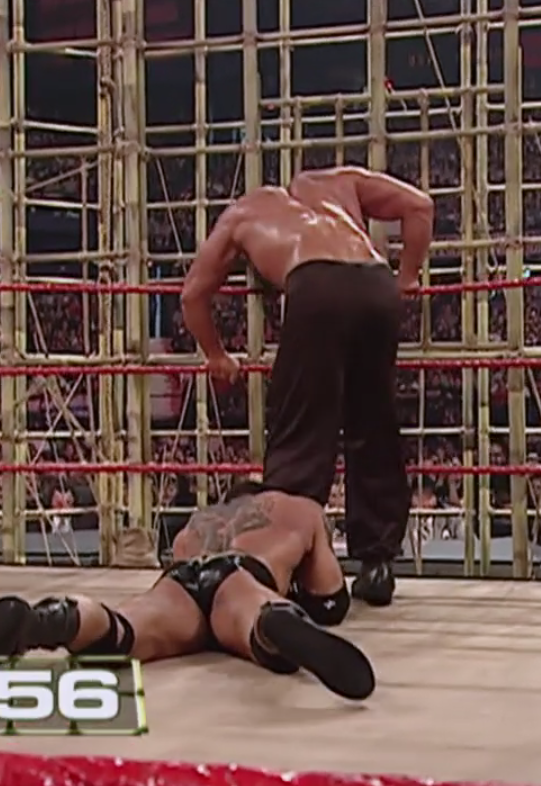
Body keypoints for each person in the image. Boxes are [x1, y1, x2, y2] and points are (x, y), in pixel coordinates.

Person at [180, 166, 435, 607]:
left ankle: (289, 559)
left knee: (302, 430)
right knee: (374, 424)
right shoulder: (338, 183)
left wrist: (216, 355)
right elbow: (421, 206)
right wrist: (408, 274)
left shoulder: (242, 214)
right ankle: (377, 564)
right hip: (376, 283)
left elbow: (192, 295)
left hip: (316, 287)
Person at [0, 480, 375, 707]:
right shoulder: (299, 510)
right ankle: (276, 621)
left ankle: (46, 619)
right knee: (250, 613)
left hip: (181, 578)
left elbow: (182, 567)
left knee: (123, 631)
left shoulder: (199, 524)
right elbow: (330, 601)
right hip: (240, 577)